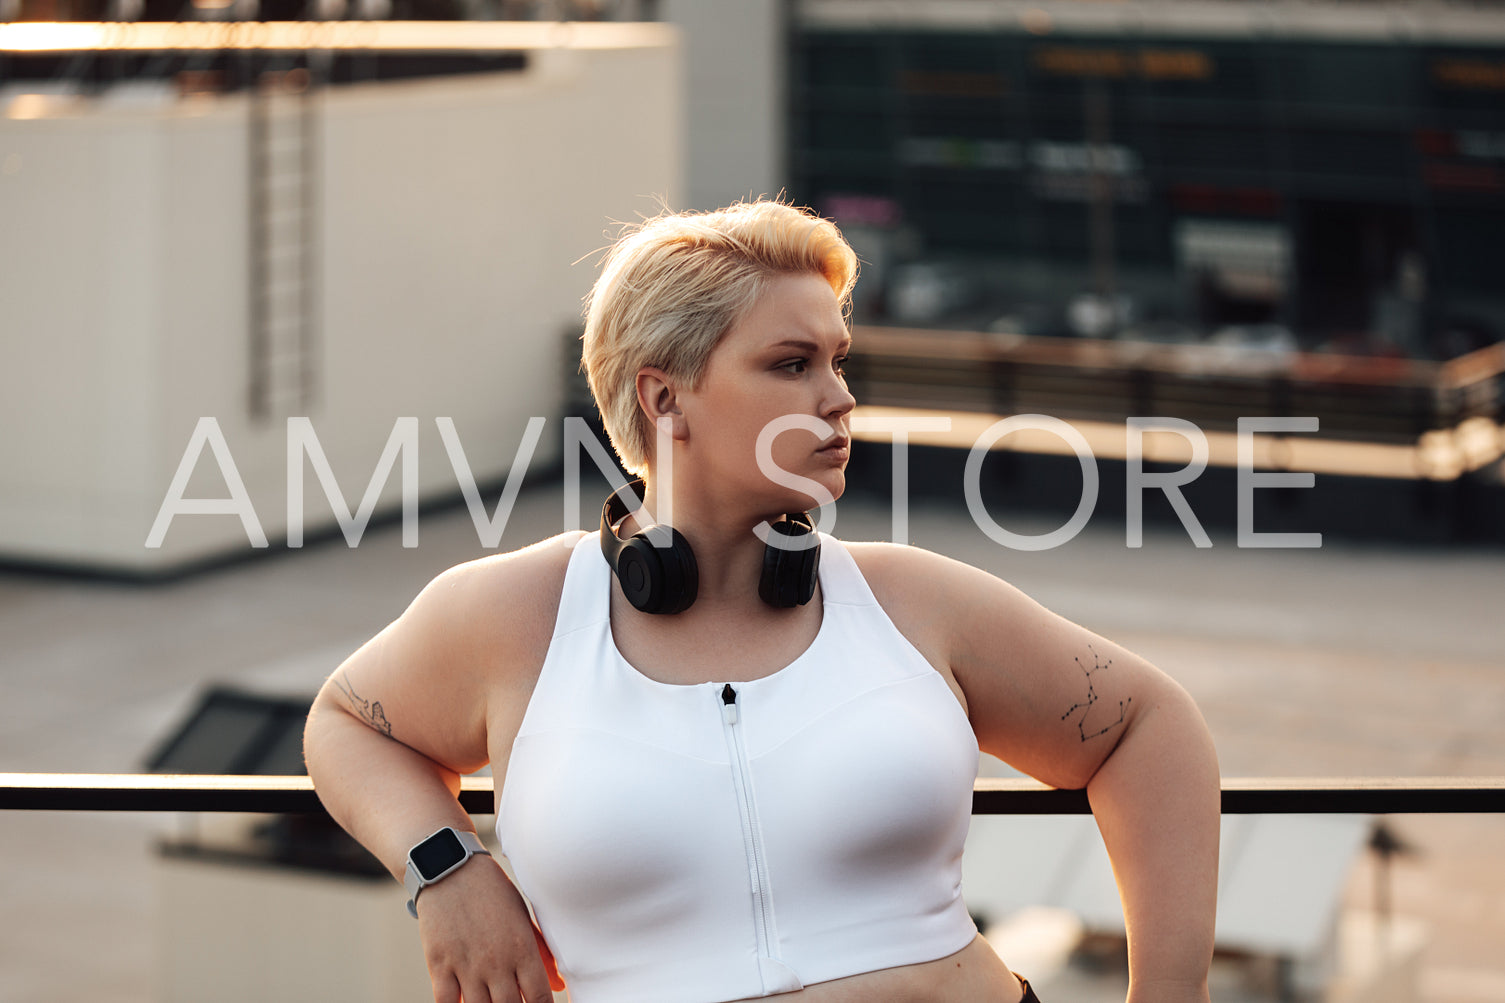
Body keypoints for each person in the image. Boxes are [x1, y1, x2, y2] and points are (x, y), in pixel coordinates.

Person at [304, 199, 1220, 1003]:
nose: (840, 398)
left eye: (837, 359)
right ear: (665, 398)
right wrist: (448, 869)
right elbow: (347, 720)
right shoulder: (514, 614)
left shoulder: (910, 599)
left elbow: (1147, 724)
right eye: (791, 364)